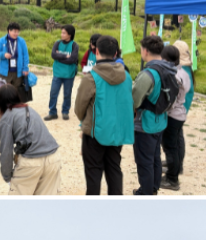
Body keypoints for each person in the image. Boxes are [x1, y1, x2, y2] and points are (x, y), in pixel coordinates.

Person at [72, 35, 134, 195]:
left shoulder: (91, 77)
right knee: (114, 169)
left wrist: (84, 120)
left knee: (93, 174)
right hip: (116, 133)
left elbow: (79, 108)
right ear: (115, 54)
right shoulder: (127, 77)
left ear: (96, 51)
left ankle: (93, 211)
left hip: (94, 133)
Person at [0, 84, 61, 194]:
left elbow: (6, 151)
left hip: (31, 162)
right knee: (45, 207)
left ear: (1, 101)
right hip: (53, 158)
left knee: (17, 208)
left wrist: (7, 176)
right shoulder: (30, 110)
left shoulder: (7, 117)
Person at [132, 34, 176, 195]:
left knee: (144, 161)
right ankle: (154, 187)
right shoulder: (169, 69)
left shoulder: (149, 73)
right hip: (161, 121)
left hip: (146, 123)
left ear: (146, 51)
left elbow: (134, 99)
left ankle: (146, 193)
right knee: (155, 158)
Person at [162, 42, 194, 191]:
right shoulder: (185, 72)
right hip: (180, 114)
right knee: (174, 144)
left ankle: (172, 179)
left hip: (174, 114)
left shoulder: (176, 75)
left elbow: (172, 97)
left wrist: (165, 108)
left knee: (171, 146)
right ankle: (174, 171)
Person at [47, 25, 79, 121]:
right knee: (53, 93)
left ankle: (65, 112)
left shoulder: (74, 45)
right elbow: (53, 55)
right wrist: (66, 56)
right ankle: (52, 112)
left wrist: (59, 57)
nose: (62, 34)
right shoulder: (57, 43)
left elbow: (73, 59)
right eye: (62, 32)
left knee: (67, 94)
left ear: (70, 34)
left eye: (64, 33)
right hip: (57, 73)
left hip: (69, 74)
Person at [0, 22, 30, 96]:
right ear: (9, 31)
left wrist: (25, 68)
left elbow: (25, 55)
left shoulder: (21, 41)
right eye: (14, 31)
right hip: (5, 72)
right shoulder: (1, 41)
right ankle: (6, 107)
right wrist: (3, 55)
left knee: (16, 92)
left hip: (18, 71)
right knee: (6, 91)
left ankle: (14, 107)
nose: (16, 33)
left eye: (17, 32)